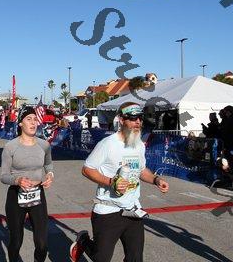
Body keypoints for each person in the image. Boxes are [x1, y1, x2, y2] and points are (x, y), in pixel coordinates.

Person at [70, 102, 169, 262]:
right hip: (108, 209)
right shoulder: (108, 144)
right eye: (133, 118)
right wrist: (111, 182)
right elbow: (87, 169)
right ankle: (84, 241)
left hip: (132, 209)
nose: (138, 122)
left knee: (135, 259)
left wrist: (156, 180)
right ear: (122, 120)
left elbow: (141, 170)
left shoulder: (139, 145)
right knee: (101, 258)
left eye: (140, 118)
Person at [0, 106, 54, 262]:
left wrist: (50, 174)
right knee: (16, 242)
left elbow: (48, 164)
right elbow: (3, 176)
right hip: (16, 195)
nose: (33, 122)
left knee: (42, 244)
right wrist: (17, 180)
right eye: (28, 119)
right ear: (20, 124)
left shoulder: (44, 145)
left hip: (37, 194)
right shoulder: (11, 146)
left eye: (35, 119)